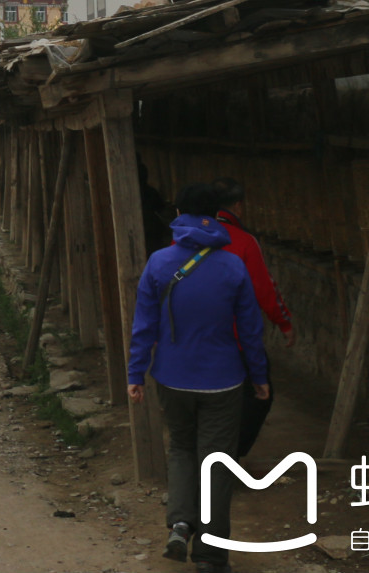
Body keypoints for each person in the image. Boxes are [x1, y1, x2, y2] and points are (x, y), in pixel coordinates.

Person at [129, 183, 269, 572]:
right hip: (223, 380)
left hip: (172, 378)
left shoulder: (158, 262)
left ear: (178, 216)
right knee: (218, 461)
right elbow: (250, 330)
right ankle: (209, 554)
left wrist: (135, 372)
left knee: (182, 450)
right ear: (219, 215)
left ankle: (179, 524)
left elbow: (144, 325)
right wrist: (258, 377)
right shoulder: (232, 265)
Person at [210, 177, 292, 459]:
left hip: (192, 338)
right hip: (235, 339)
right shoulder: (243, 241)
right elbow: (264, 288)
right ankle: (228, 457)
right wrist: (283, 323)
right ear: (238, 206)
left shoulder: (187, 239)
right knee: (258, 396)